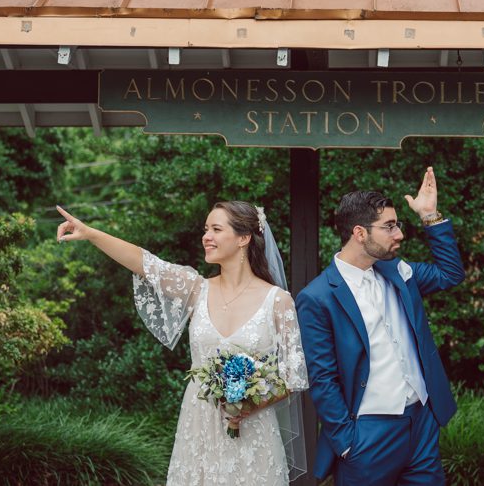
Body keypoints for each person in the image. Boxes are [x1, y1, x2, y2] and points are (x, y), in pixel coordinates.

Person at [56, 200, 309, 485]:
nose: (206, 236)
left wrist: (249, 404)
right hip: (198, 424)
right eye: (205, 229)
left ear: (244, 238)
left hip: (254, 430)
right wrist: (90, 233)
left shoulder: (278, 302)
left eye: (216, 229)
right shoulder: (197, 289)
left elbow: (292, 376)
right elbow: (145, 263)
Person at [296, 167, 464, 486]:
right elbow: (322, 377)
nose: (399, 234)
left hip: (421, 423)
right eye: (389, 227)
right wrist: (347, 443)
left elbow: (450, 274)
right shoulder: (316, 298)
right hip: (368, 435)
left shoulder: (396, 271)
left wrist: (430, 215)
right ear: (360, 233)